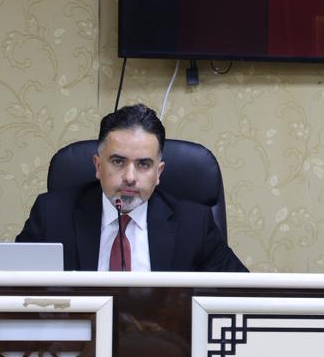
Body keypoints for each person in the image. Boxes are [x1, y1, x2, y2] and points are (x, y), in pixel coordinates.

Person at [17, 104, 247, 272]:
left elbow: (243, 294)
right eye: (118, 161)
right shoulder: (51, 215)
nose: (130, 177)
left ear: (159, 173)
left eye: (143, 164)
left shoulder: (194, 224)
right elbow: (11, 287)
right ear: (98, 166)